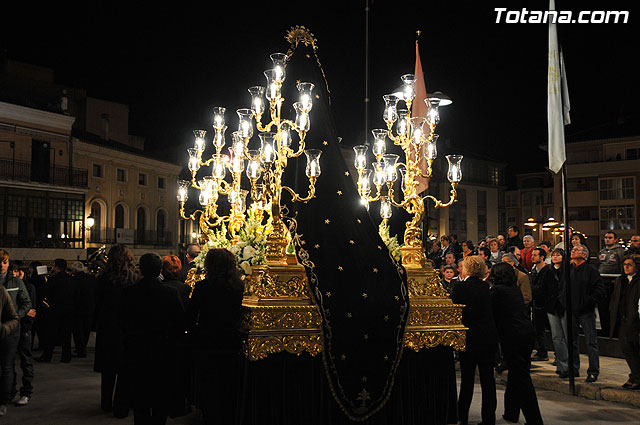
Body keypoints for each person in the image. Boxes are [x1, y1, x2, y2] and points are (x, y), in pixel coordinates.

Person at [119, 253, 185, 424]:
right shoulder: (170, 293)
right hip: (163, 352)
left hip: (136, 352)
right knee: (160, 401)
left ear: (140, 269)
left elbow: (122, 322)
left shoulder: (128, 293)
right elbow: (179, 323)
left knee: (140, 402)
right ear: (160, 271)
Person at [187, 248, 245, 425]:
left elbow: (190, 315)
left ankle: (210, 417)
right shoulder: (239, 287)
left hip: (207, 341)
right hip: (231, 340)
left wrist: (194, 334)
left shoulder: (202, 287)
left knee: (209, 384)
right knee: (228, 384)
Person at [489, 262, 543, 425]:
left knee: (521, 377)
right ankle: (511, 412)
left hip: (514, 336)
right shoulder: (513, 289)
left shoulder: (498, 292)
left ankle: (534, 419)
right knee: (515, 373)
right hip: (525, 334)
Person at [451, 256, 498, 425]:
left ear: (468, 270)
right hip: (488, 338)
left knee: (467, 380)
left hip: (469, 338)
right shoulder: (488, 287)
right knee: (488, 381)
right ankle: (489, 419)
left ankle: (462, 416)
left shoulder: (461, 287)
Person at [94, 244, 137, 416]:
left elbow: (97, 305)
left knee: (108, 370)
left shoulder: (103, 278)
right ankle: (122, 405)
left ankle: (105, 403)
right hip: (127, 329)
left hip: (107, 328)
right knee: (125, 371)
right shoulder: (133, 278)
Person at [564, 244, 606, 383]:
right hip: (571, 311)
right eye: (573, 249)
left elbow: (599, 291)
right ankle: (574, 368)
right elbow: (562, 288)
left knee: (591, 342)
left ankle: (593, 371)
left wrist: (587, 302)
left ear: (584, 255)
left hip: (586, 312)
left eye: (576, 250)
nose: (573, 251)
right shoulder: (569, 269)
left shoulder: (591, 271)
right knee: (572, 342)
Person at [0, 250, 31, 415]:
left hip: (11, 330)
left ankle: (3, 400)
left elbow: (26, 302)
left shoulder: (16, 282)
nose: (1, 265)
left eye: (4, 262)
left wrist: (15, 318)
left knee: (7, 365)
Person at [608, 255, 640, 389]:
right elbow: (615, 299)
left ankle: (636, 377)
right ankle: (635, 376)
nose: (626, 267)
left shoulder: (638, 281)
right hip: (622, 319)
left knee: (635, 349)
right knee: (626, 349)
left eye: (629, 265)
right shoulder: (621, 280)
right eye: (625, 264)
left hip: (635, 320)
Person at [38, 259, 75, 363]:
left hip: (55, 309)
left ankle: (47, 356)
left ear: (56, 267)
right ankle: (66, 356)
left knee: (51, 334)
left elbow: (45, 293)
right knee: (66, 334)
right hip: (69, 310)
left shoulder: (53, 279)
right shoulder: (71, 279)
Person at [8, 262, 35, 406]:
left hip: (22, 329)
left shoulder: (28, 287)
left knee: (25, 361)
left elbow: (32, 311)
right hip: (11, 329)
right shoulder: (8, 286)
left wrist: (25, 329)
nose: (15, 274)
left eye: (17, 271)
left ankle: (26, 392)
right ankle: (10, 390)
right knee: (9, 363)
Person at [543, 249, 571, 377]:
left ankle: (570, 365)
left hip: (565, 306)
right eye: (553, 255)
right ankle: (561, 364)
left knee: (567, 336)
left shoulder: (568, 271)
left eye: (558, 255)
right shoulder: (548, 271)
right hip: (552, 307)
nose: (555, 257)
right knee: (557, 337)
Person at [598, 231, 625, 337]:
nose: (607, 239)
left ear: (615, 239)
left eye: (610, 237)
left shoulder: (620, 251)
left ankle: (614, 332)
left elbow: (622, 266)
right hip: (602, 281)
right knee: (602, 308)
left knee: (613, 308)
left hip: (614, 282)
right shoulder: (602, 251)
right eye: (605, 237)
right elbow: (599, 265)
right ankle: (605, 330)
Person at [70, 261, 96, 358]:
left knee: (78, 330)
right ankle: (82, 347)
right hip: (89, 307)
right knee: (86, 330)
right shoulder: (91, 278)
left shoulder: (73, 280)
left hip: (77, 308)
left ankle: (81, 350)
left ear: (74, 270)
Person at [0, 284, 19, 418]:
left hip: (4, 339)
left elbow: (14, 317)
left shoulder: (1, 291)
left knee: (6, 368)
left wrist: (4, 329)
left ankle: (3, 401)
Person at [529, 248, 550, 362]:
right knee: (538, 329)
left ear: (542, 257)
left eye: (535, 255)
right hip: (536, 304)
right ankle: (541, 351)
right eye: (532, 255)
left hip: (544, 304)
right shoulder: (534, 270)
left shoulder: (547, 270)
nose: (532, 257)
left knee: (547, 330)